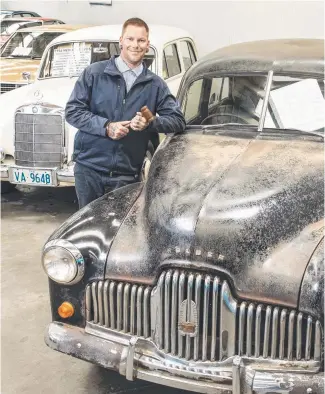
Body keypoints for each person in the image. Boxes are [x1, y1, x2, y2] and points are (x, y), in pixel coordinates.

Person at [65, 17, 186, 209]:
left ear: (147, 44)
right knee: (87, 230)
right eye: (130, 39)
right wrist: (107, 127)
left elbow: (178, 121)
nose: (135, 45)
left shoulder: (155, 85)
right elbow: (73, 111)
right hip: (89, 170)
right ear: (121, 40)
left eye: (141, 41)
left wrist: (150, 122)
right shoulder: (94, 74)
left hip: (125, 175)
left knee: (120, 234)